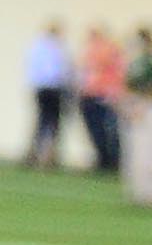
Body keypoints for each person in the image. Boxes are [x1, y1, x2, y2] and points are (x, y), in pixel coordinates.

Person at [120, 25, 152, 208]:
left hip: (149, 109)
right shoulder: (136, 63)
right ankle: (139, 190)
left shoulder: (150, 62)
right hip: (136, 107)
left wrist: (141, 107)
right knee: (136, 151)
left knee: (149, 151)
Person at [22, 21, 72, 168]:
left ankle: (35, 154)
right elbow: (58, 72)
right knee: (52, 124)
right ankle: (47, 157)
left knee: (42, 123)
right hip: (52, 88)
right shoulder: (55, 48)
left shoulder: (36, 46)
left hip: (40, 88)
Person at [75, 25, 124, 175]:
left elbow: (117, 73)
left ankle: (111, 161)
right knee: (95, 130)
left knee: (106, 130)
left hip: (102, 95)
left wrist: (114, 94)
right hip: (89, 95)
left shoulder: (110, 50)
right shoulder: (89, 51)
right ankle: (102, 159)